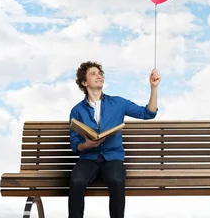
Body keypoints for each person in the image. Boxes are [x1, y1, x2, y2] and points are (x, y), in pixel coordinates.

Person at [68, 61, 160, 218]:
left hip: (112, 158)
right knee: (76, 181)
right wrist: (86, 145)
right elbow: (75, 144)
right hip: (88, 159)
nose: (99, 76)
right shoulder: (77, 111)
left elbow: (148, 114)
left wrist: (153, 87)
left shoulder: (118, 103)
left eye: (100, 73)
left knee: (117, 180)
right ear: (84, 82)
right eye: (93, 74)